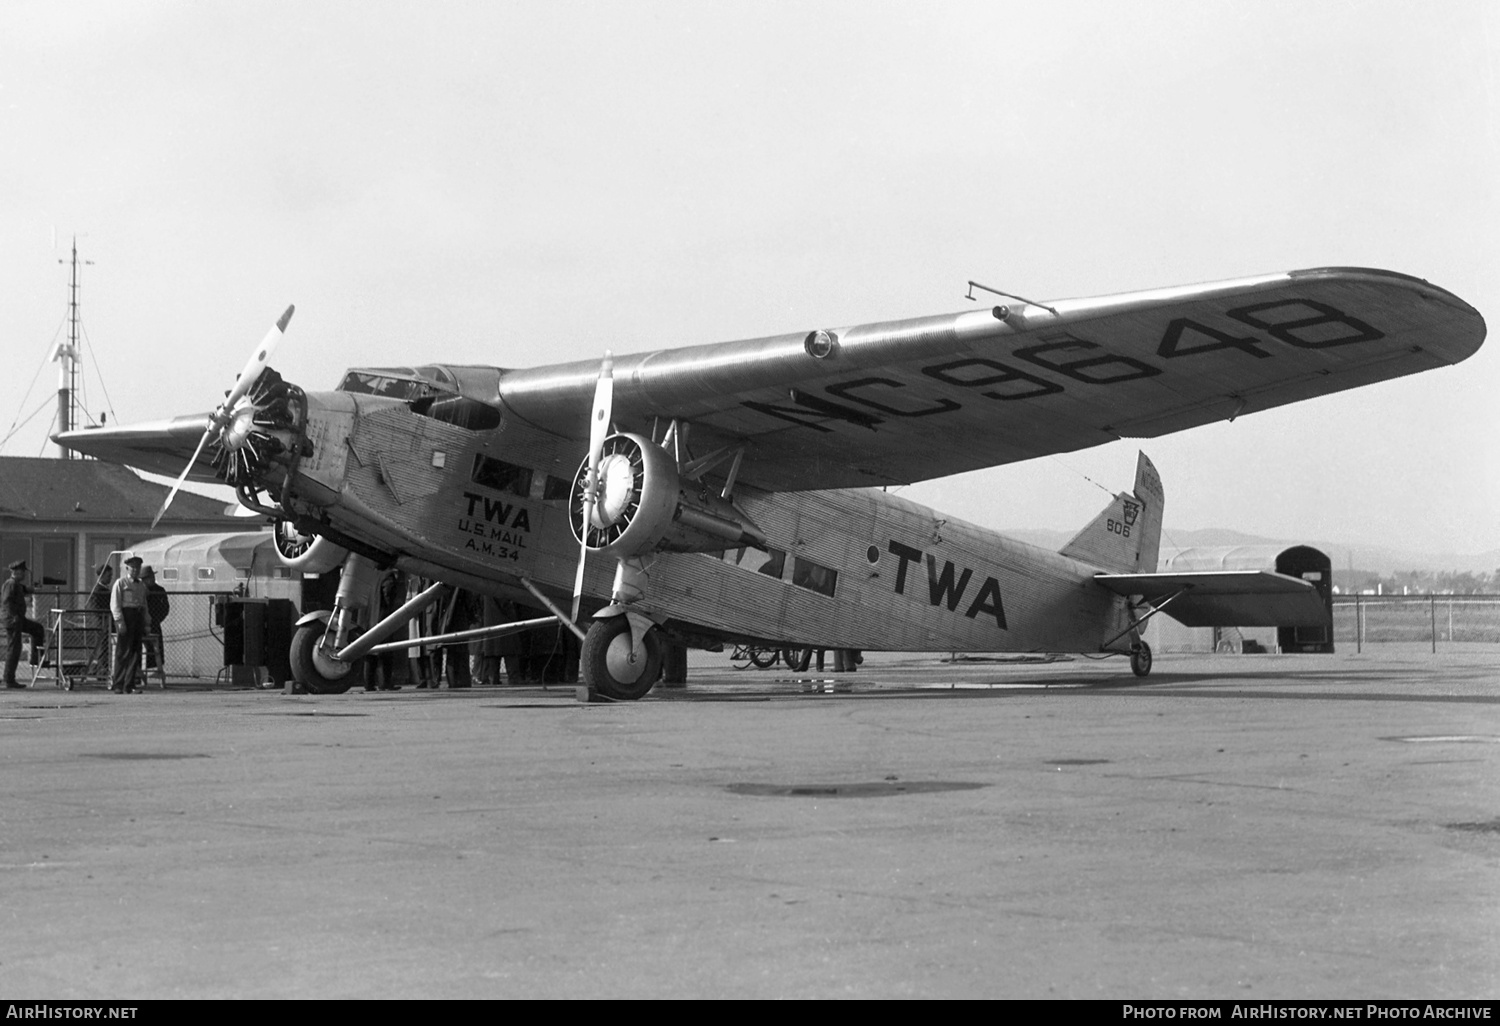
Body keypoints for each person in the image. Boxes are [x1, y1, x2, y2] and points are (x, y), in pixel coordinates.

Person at [109, 556, 153, 694]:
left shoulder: (141, 585)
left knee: (135, 652)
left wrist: (146, 623)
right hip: (126, 616)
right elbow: (115, 604)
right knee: (123, 652)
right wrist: (120, 622)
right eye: (133, 568)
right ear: (127, 568)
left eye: (138, 568)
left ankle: (130, 684)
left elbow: (144, 605)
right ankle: (118, 684)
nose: (135, 570)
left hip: (137, 616)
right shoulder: (121, 583)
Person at [2, 561, 45, 689]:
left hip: (18, 619)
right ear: (16, 572)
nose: (25, 574)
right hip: (13, 620)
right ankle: (9, 679)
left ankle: (36, 659)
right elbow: (7, 601)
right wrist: (14, 616)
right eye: (22, 572)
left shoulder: (16, 584)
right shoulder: (11, 584)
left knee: (37, 629)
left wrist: (33, 589)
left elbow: (24, 589)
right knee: (14, 648)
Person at [141, 566, 170, 678]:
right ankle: (142, 669)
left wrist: (157, 619)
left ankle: (157, 668)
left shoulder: (160, 590)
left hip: (155, 622)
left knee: (157, 647)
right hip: (142, 623)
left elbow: (165, 608)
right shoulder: (140, 590)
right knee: (143, 647)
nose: (151, 579)